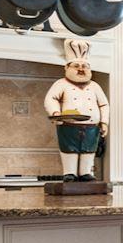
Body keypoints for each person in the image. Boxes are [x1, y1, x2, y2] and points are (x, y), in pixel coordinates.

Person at [44, 38, 109, 179]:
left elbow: (104, 104)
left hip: (92, 126)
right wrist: (56, 113)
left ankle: (86, 173)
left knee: (89, 150)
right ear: (67, 68)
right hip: (68, 125)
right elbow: (51, 99)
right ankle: (69, 173)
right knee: (69, 149)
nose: (81, 69)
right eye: (76, 66)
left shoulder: (95, 86)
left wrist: (104, 122)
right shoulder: (61, 84)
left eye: (84, 66)